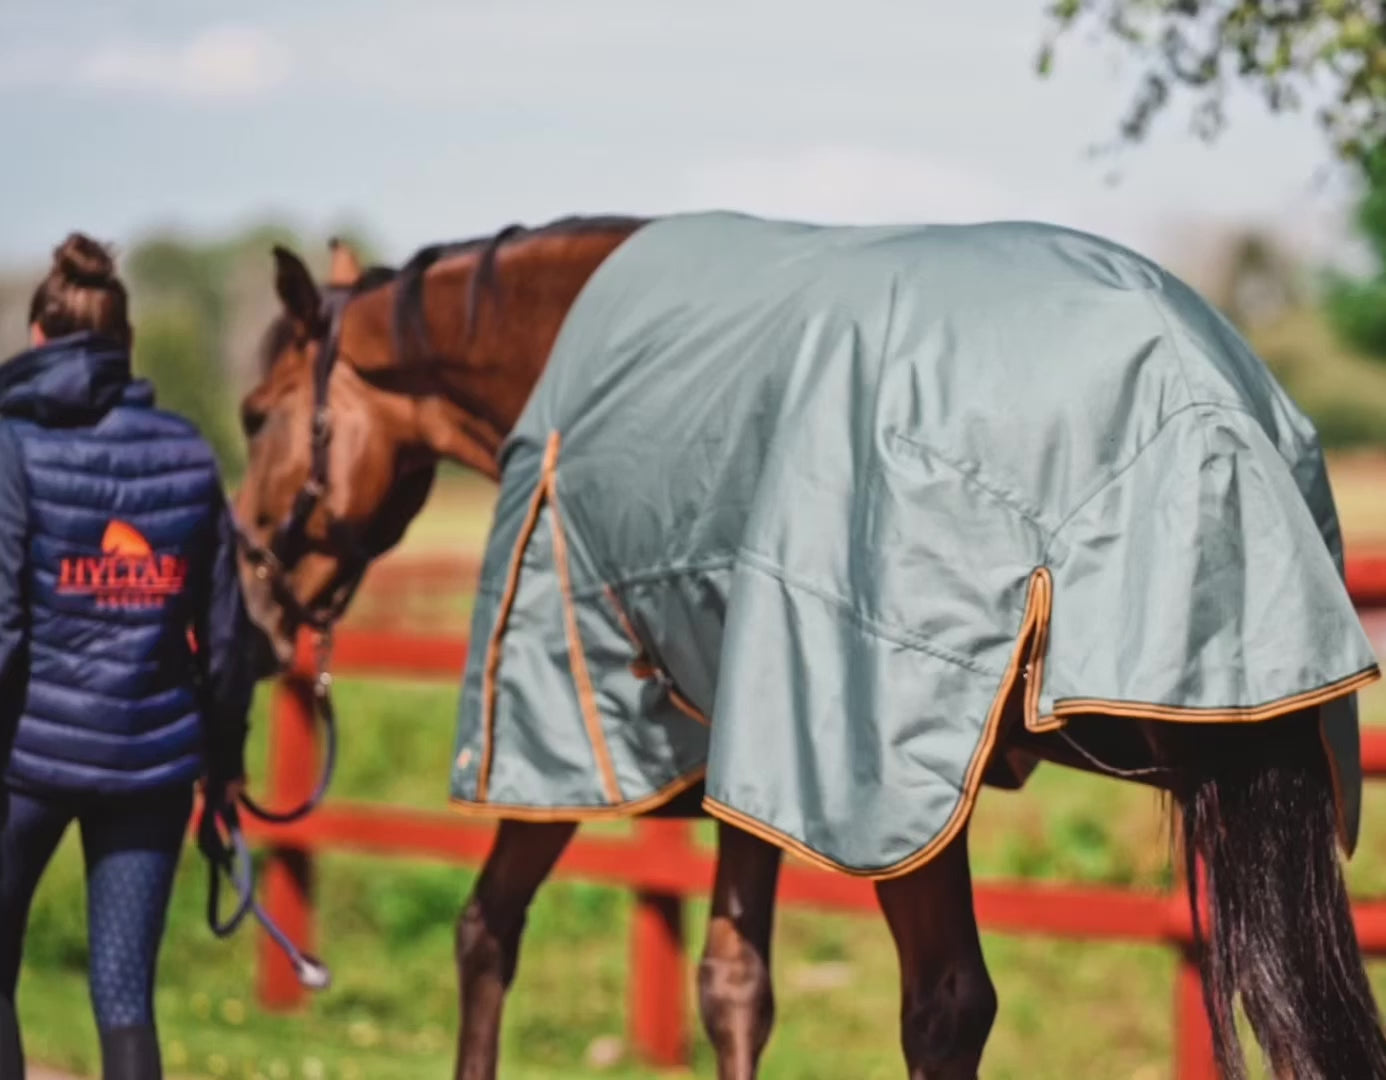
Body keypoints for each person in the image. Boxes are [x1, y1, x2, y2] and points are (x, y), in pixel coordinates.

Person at [0, 234, 253, 1080]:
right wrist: (225, 765)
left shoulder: (11, 450)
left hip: (24, 764)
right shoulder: (187, 452)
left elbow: (2, 628)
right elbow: (226, 641)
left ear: (38, 339)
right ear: (127, 344)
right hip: (152, 767)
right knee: (124, 999)